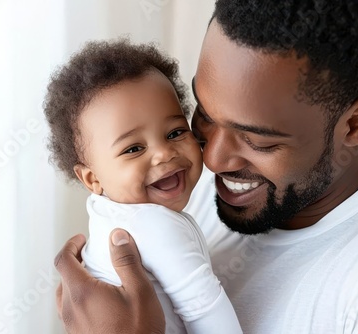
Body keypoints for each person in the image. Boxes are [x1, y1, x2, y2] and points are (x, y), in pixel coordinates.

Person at [54, 0, 358, 333]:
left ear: (355, 124)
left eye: (258, 140)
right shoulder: (174, 184)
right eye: (203, 114)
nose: (212, 160)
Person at [44, 40, 242, 333]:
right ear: (92, 179)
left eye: (175, 132)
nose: (163, 153)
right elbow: (209, 314)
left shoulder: (105, 211)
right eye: (133, 149)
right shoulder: (156, 226)